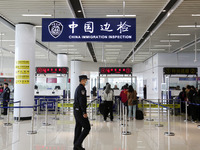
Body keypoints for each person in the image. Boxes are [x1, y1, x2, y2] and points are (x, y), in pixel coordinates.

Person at [73, 75, 91, 150]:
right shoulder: (81, 89)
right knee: (87, 127)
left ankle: (76, 145)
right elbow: (81, 101)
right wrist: (84, 112)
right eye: (85, 80)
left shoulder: (78, 88)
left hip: (76, 110)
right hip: (80, 111)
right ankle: (77, 144)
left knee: (78, 127)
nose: (86, 81)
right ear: (82, 80)